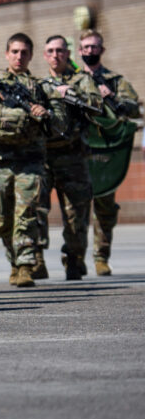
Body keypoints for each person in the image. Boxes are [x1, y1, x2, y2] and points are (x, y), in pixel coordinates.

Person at [0, 34, 52, 287]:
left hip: (30, 159)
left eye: (24, 52)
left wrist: (43, 112)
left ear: (31, 56)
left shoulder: (40, 87)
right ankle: (14, 261)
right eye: (14, 51)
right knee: (4, 217)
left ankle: (25, 265)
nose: (19, 56)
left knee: (26, 211)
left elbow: (57, 122)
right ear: (6, 54)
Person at [38, 36, 102, 280]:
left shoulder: (82, 80)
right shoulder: (38, 84)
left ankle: (74, 260)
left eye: (60, 51)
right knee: (36, 210)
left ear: (68, 54)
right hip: (43, 157)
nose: (56, 55)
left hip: (73, 156)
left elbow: (97, 105)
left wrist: (72, 93)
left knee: (77, 213)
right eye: (51, 51)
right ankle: (34, 259)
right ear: (45, 55)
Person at [79, 29, 142, 275]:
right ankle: (74, 258)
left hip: (106, 150)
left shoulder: (115, 80)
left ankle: (101, 257)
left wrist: (112, 96)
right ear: (79, 50)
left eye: (94, 47)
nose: (90, 51)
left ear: (102, 50)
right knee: (76, 209)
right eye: (85, 47)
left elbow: (133, 109)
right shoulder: (71, 79)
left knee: (105, 205)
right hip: (79, 149)